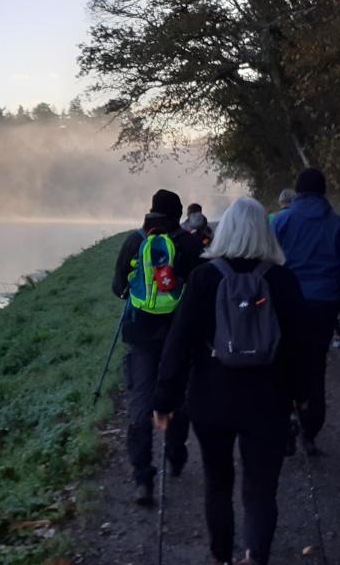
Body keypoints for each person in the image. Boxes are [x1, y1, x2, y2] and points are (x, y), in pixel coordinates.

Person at [154, 197, 310, 565]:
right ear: (264, 231)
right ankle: (255, 556)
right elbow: (302, 346)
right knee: (260, 490)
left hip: (212, 398)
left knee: (218, 482)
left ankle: (222, 557)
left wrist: (165, 399)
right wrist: (302, 395)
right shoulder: (283, 280)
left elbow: (179, 343)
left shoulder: (204, 278)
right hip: (267, 400)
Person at [111, 188, 204, 505]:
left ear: (151, 211)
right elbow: (200, 289)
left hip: (139, 334)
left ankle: (142, 479)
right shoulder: (189, 244)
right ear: (178, 215)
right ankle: (176, 454)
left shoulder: (134, 241)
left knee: (140, 401)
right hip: (179, 334)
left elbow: (117, 287)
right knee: (177, 394)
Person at [272, 168, 340, 454]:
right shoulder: (337, 226)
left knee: (283, 363)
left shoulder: (281, 221)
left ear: (297, 192)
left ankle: (284, 423)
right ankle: (310, 429)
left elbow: (268, 263)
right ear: (323, 192)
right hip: (324, 305)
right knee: (315, 366)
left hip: (287, 303)